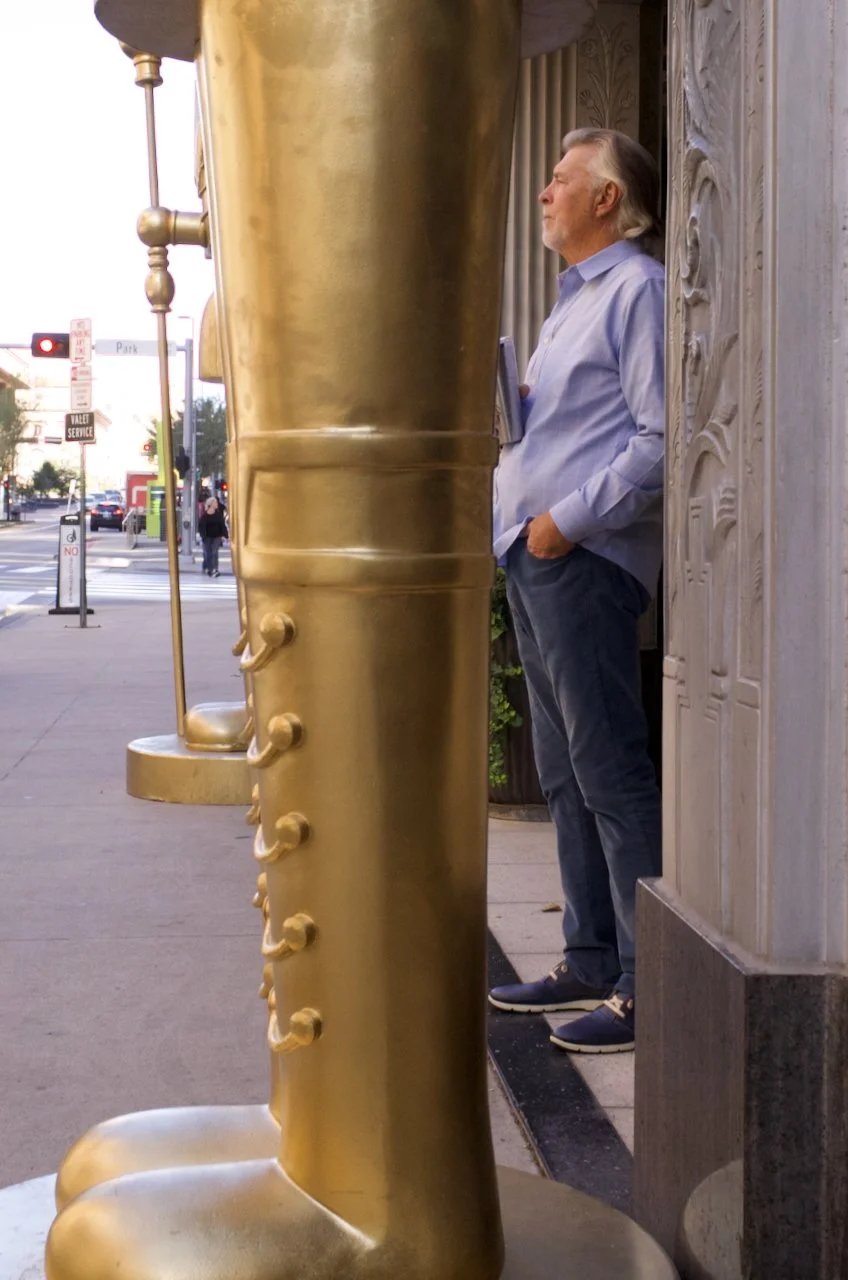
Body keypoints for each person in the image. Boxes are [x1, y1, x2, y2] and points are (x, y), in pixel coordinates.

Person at [487, 128, 664, 1054]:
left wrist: (565, 520)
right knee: (561, 775)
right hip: (534, 555)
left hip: (581, 561)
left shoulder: (636, 290)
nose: (546, 192)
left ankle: (646, 988)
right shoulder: (570, 305)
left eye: (561, 179)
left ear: (607, 199)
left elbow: (658, 439)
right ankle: (589, 956)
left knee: (608, 774)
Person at [198, 496, 227, 577]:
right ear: (211, 504)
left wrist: (224, 535)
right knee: (208, 553)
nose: (217, 504)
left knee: (214, 552)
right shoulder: (204, 516)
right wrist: (203, 536)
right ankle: (209, 568)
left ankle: (215, 569)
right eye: (215, 503)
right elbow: (201, 526)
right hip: (207, 537)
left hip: (216, 537)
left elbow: (222, 525)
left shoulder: (218, 515)